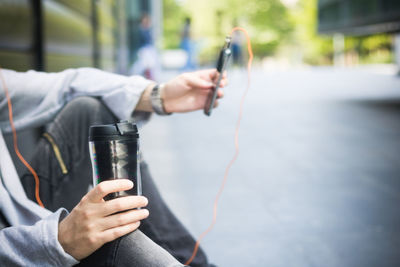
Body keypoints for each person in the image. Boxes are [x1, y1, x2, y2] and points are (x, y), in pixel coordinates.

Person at [0, 67, 226, 266]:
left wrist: (159, 95)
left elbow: (68, 84)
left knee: (87, 110)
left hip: (17, 220)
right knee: (121, 239)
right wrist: (58, 241)